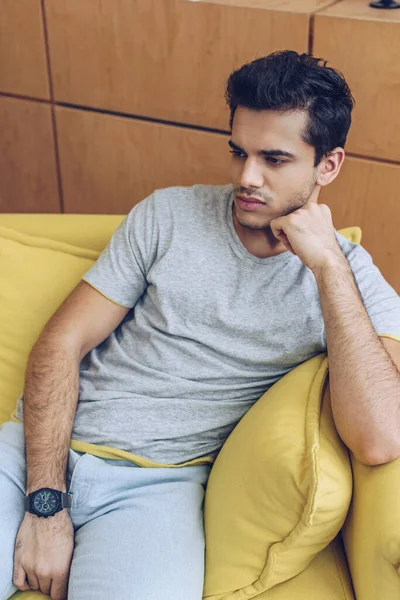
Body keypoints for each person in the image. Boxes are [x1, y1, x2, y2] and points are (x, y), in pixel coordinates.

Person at [1, 50, 400, 600]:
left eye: (275, 159)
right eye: (239, 151)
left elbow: (381, 436)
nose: (246, 177)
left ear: (327, 165)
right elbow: (60, 343)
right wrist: (46, 504)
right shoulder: (168, 215)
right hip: (36, 451)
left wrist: (329, 266)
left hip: (158, 486)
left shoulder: (350, 278)